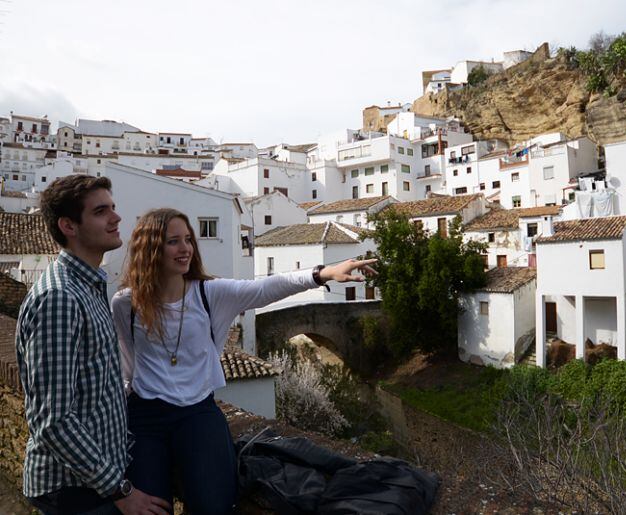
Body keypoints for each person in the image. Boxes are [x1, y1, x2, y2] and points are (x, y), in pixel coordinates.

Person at [111, 208, 375, 513]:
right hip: (145, 417)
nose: (185, 249)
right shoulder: (126, 304)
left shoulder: (210, 294)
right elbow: (130, 362)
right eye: (173, 241)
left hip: (197, 412)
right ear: (151, 249)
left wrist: (321, 274)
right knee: (150, 508)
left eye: (188, 240)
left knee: (214, 505)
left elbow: (265, 288)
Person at [15, 175, 171, 515]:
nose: (116, 217)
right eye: (101, 211)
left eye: (113, 208)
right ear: (69, 225)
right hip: (74, 489)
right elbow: (53, 420)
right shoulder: (60, 298)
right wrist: (121, 490)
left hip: (90, 482)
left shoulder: (87, 286)